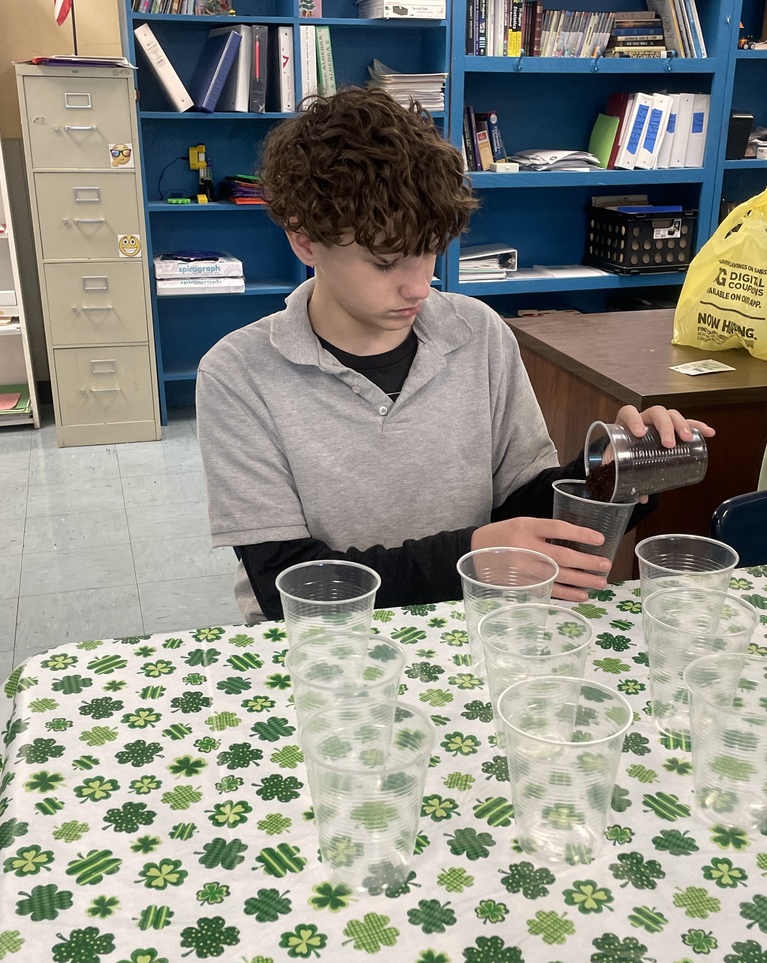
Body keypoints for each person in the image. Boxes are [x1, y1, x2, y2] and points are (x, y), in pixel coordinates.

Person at [196, 86, 714, 623]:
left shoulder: (478, 332)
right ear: (305, 241)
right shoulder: (239, 374)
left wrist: (618, 477)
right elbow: (286, 586)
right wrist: (473, 557)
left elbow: (520, 505)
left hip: (469, 628)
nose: (420, 286)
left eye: (429, 252)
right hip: (324, 649)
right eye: (386, 262)